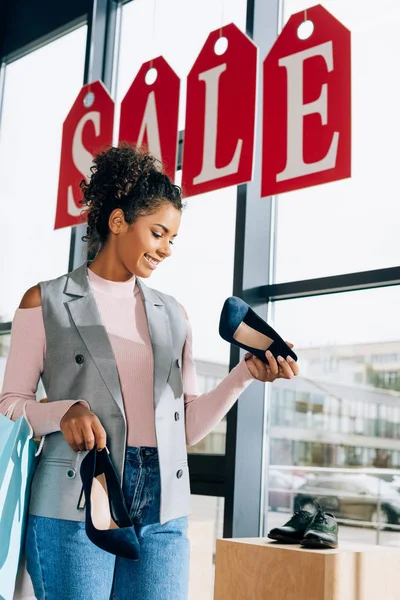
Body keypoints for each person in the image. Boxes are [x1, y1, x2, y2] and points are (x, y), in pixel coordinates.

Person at [0, 144, 299, 600]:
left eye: (172, 239)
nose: (166, 250)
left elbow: (187, 426)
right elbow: (9, 406)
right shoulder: (45, 302)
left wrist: (243, 376)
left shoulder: (173, 315)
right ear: (118, 222)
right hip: (74, 502)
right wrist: (62, 412)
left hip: (165, 510)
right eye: (158, 233)